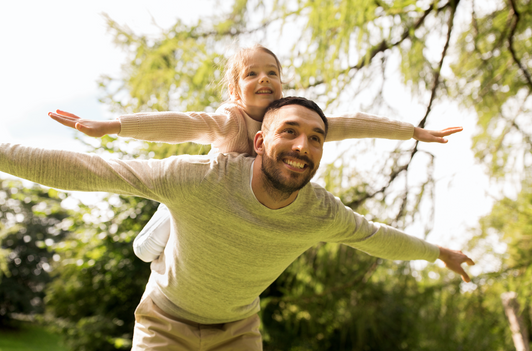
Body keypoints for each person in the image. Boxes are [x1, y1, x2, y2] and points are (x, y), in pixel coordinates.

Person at [0, 96, 473, 350]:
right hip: (165, 323)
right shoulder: (197, 178)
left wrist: (437, 252)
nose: (303, 147)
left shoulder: (320, 212)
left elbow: (377, 238)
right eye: (290, 132)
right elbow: (89, 171)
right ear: (262, 140)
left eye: (316, 139)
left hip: (239, 332)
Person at [48, 44, 463, 263]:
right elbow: (179, 123)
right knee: (145, 249)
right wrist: (112, 126)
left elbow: (354, 122)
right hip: (197, 199)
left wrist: (413, 132)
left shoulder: (294, 125)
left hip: (240, 211)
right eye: (252, 73)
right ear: (235, 90)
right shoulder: (228, 121)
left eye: (273, 72)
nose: (264, 78)